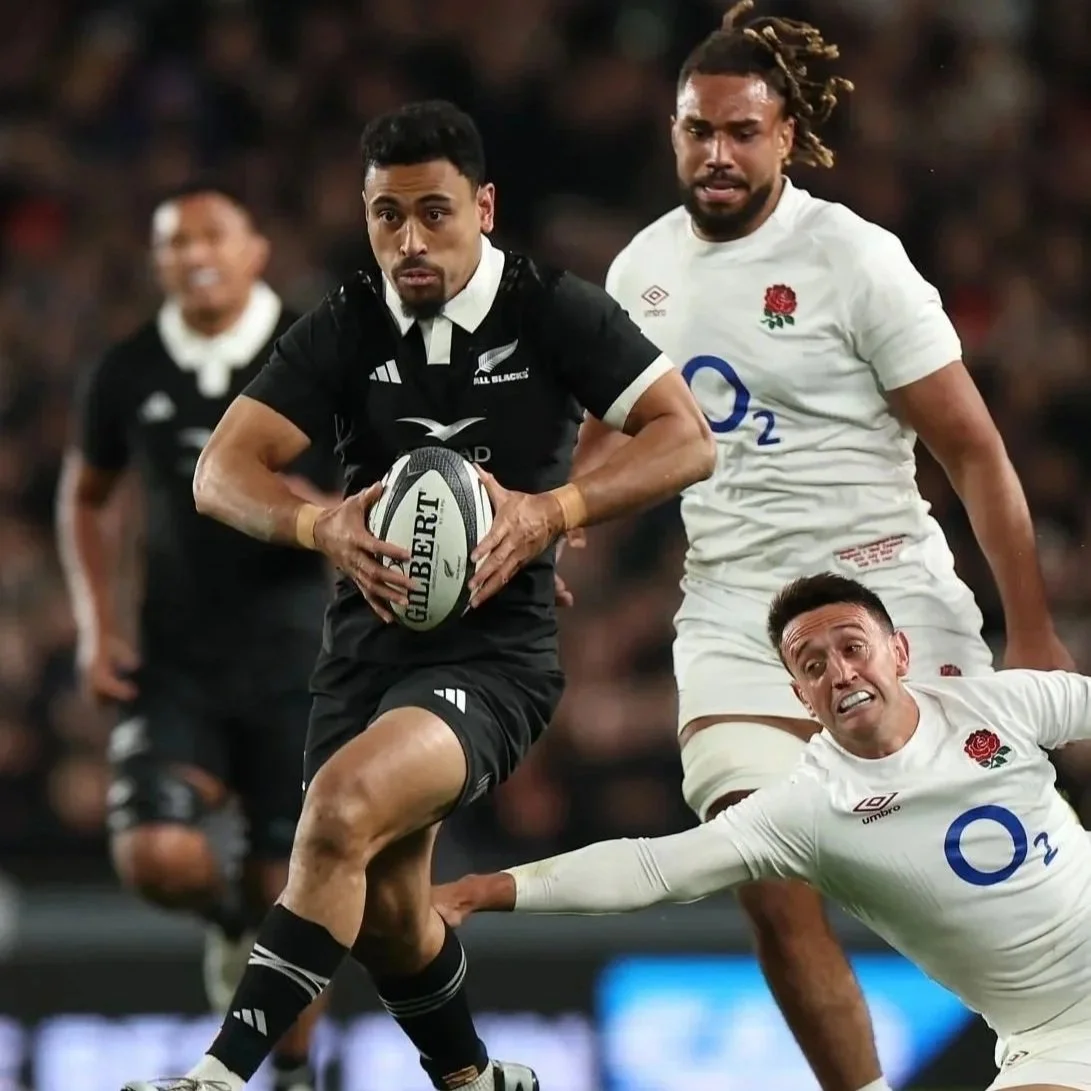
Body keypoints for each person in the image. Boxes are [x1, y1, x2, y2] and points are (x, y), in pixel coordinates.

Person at [121, 99, 714, 1091]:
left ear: (481, 206)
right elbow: (221, 471)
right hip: (362, 657)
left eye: (432, 212)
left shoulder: (550, 307)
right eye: (385, 216)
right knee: (392, 913)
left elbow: (683, 435)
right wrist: (318, 523)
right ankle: (475, 1079)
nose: (408, 240)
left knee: (340, 811)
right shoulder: (348, 324)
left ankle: (220, 1074)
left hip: (493, 660)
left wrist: (548, 511)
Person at [568, 4, 1076, 1090]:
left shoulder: (853, 259)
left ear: (785, 135)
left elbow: (975, 454)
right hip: (733, 619)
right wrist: (547, 528)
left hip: (885, 604)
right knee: (767, 871)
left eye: (740, 132)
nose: (715, 153)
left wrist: (1028, 626)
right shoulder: (639, 272)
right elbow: (601, 453)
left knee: (1004, 858)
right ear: (672, 132)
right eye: (696, 131)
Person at [436, 572, 1091, 1091]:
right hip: (1056, 1038)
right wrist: (477, 890)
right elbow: (651, 869)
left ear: (897, 652)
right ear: (800, 696)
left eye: (852, 646)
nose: (839, 672)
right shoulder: (805, 811)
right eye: (812, 664)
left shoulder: (997, 703)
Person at [57, 183, 338, 1091]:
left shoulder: (320, 351)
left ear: (257, 247)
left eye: (212, 233)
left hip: (301, 662)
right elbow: (87, 493)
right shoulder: (129, 368)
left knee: (291, 890)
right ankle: (226, 922)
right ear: (157, 262)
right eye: (172, 241)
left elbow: (383, 480)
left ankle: (292, 1072)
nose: (193, 253)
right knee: (157, 854)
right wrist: (98, 626)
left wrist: (323, 519)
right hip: (175, 659)